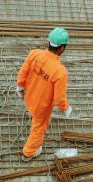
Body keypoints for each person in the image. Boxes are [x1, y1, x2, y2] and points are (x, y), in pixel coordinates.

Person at [16, 27, 72, 162]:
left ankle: (32, 120)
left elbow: (23, 71)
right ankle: (29, 152)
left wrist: (20, 86)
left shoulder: (34, 54)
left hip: (28, 97)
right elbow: (59, 98)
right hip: (41, 106)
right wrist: (66, 108)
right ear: (62, 48)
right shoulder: (60, 71)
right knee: (39, 127)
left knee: (35, 118)